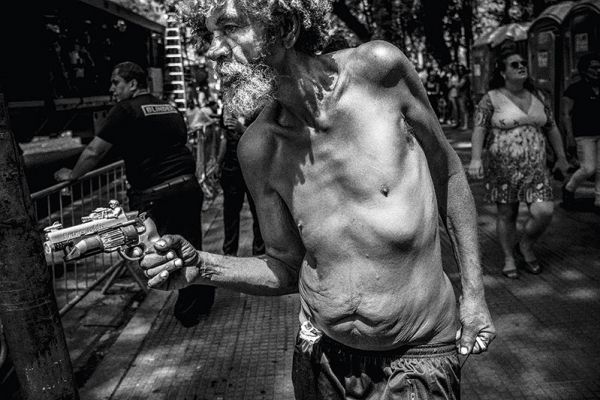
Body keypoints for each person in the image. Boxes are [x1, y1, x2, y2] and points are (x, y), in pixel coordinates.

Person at [140, 1, 495, 398]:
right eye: (209, 34)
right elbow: (285, 265)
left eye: (229, 28)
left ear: (286, 26)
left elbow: (448, 172)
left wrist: (475, 295)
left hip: (419, 352)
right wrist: (201, 267)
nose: (213, 50)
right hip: (321, 360)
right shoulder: (258, 148)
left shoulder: (380, 71)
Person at [54, 61, 215, 327]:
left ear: (132, 84)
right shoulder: (168, 106)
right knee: (192, 244)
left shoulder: (125, 110)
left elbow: (95, 151)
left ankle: (189, 310)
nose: (112, 89)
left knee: (169, 251)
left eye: (116, 83)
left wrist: (72, 176)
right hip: (188, 187)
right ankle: (203, 297)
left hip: (158, 194)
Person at [468, 51, 569, 279]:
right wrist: (475, 159)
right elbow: (480, 129)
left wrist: (561, 157)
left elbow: (551, 127)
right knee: (507, 214)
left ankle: (525, 244)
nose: (521, 66)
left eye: (523, 63)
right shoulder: (491, 98)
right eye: (515, 65)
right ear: (503, 72)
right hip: (504, 169)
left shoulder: (539, 96)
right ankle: (509, 257)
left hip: (536, 169)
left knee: (544, 211)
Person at [215, 108, 265, 256]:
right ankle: (229, 253)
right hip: (231, 169)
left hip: (253, 168)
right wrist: (218, 162)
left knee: (259, 214)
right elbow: (224, 137)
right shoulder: (228, 107)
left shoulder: (258, 107)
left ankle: (260, 253)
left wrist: (242, 129)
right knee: (230, 214)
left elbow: (263, 136)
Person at [561, 53, 600, 213]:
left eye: (599, 67)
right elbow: (566, 114)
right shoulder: (574, 89)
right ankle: (569, 188)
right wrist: (569, 136)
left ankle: (599, 200)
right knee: (588, 168)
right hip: (583, 134)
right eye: (594, 67)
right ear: (584, 69)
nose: (598, 70)